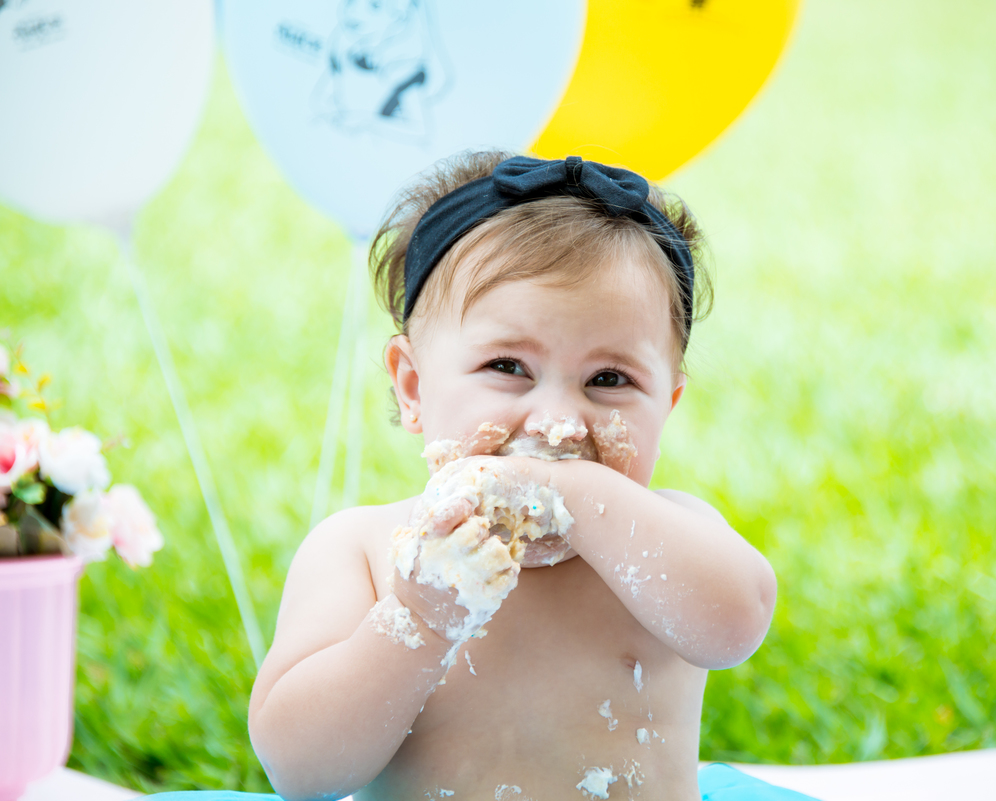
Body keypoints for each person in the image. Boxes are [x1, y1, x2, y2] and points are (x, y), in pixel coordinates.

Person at [149, 153, 818, 800]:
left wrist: (575, 496)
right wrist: (415, 621)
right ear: (413, 386)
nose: (558, 421)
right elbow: (300, 769)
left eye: (608, 379)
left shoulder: (667, 541)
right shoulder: (364, 550)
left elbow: (736, 623)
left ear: (665, 407)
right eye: (508, 367)